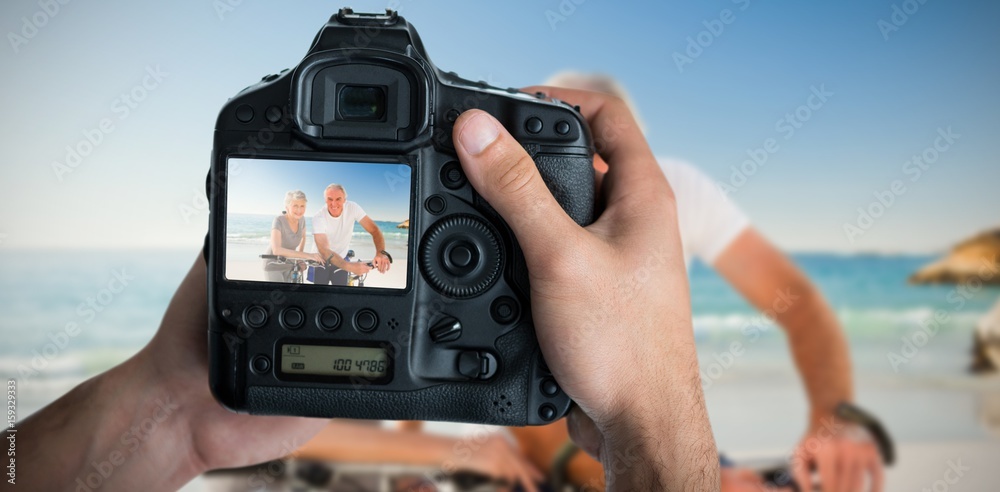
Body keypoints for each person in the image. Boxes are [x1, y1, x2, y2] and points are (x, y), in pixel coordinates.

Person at [11, 88, 720, 491]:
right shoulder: (310, 222)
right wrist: (654, 423)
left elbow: (370, 249)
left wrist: (169, 413)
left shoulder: (343, 221)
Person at [502, 72, 886, 492]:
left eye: (598, 155)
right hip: (561, 464)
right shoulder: (515, 212)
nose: (585, 181)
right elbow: (527, 420)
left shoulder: (665, 192)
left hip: (664, 444)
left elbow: (800, 306)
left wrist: (834, 420)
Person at [311, 183, 390, 285]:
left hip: (342, 257)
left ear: (345, 199)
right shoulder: (318, 217)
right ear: (325, 200)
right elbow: (324, 251)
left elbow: (374, 230)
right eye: (330, 199)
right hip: (321, 259)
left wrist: (380, 253)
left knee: (342, 294)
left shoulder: (353, 208)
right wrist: (350, 266)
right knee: (320, 294)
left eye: (338, 199)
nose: (333, 204)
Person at [262, 190, 326, 282]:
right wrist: (307, 256)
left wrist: (299, 260)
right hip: (273, 264)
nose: (299, 210)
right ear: (287, 207)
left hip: (290, 263)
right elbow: (277, 250)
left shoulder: (302, 219)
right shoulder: (278, 220)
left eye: (302, 206)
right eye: (295, 206)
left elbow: (303, 237)